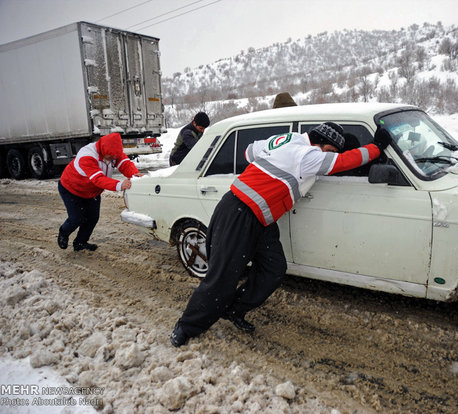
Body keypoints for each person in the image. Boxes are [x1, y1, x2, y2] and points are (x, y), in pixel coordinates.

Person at [170, 123, 392, 347]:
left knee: (273, 269)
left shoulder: (288, 139)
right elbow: (344, 162)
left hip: (261, 218)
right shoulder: (308, 154)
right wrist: (377, 146)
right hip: (239, 213)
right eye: (332, 151)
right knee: (222, 277)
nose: (331, 157)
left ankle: (233, 309)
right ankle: (185, 327)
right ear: (322, 145)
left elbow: (249, 151)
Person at [57, 132, 143, 252]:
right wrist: (120, 185)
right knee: (76, 218)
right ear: (103, 150)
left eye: (115, 156)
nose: (114, 159)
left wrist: (134, 174)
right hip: (71, 189)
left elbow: (124, 164)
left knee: (92, 218)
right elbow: (98, 179)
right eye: (111, 157)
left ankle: (80, 243)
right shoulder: (87, 155)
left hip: (92, 192)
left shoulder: (113, 152)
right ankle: (63, 233)